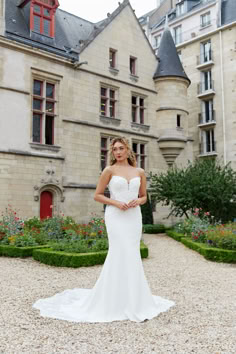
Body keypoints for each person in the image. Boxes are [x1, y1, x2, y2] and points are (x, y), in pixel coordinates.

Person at [33, 137, 175, 323]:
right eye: (114, 149)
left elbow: (144, 197)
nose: (117, 152)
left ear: (127, 150)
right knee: (118, 252)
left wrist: (137, 202)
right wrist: (116, 202)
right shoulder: (109, 170)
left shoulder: (139, 171)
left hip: (133, 217)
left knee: (132, 253)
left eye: (121, 148)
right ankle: (111, 300)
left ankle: (135, 300)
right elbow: (97, 195)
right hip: (115, 216)